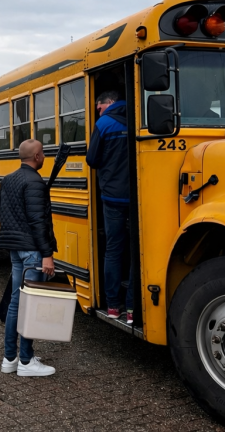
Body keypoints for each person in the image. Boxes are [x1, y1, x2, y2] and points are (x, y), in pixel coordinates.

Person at [0, 139, 57, 377]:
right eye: (43, 153)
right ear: (37, 156)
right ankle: (27, 361)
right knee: (31, 306)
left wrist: (16, 229)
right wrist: (47, 255)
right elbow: (39, 222)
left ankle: (10, 358)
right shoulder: (35, 182)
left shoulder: (8, 179)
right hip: (33, 251)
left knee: (16, 303)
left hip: (14, 250)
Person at [86, 91, 134, 323]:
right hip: (138, 197)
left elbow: (92, 159)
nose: (98, 111)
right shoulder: (139, 117)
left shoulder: (104, 123)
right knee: (138, 250)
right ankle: (134, 306)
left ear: (109, 103)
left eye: (99, 107)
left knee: (114, 250)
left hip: (113, 198)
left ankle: (114, 305)